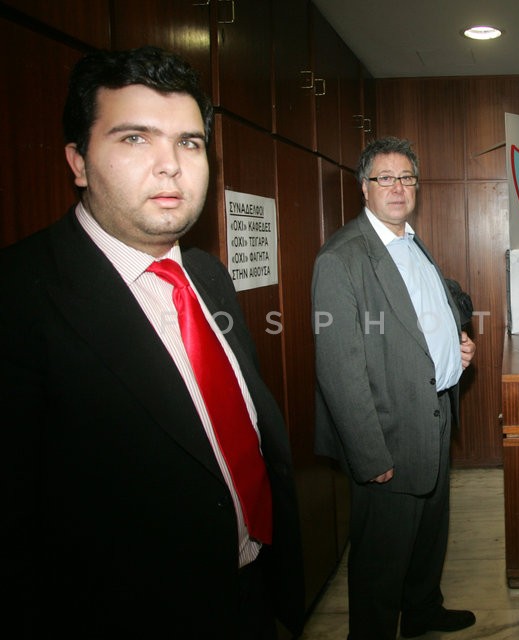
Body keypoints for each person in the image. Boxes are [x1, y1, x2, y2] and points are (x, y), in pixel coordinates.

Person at [0, 46, 305, 638]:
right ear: (78, 161)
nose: (170, 166)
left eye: (189, 142)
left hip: (251, 592)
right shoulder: (18, 298)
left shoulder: (209, 276)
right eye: (135, 138)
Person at [312, 136, 478, 639]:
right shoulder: (341, 258)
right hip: (387, 433)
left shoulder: (410, 240)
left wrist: (456, 342)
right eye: (384, 178)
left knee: (429, 535)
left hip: (434, 415)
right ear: (364, 188)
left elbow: (425, 311)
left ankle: (423, 610)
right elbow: (339, 369)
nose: (398, 187)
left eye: (406, 177)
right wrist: (369, 454)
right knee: (381, 560)